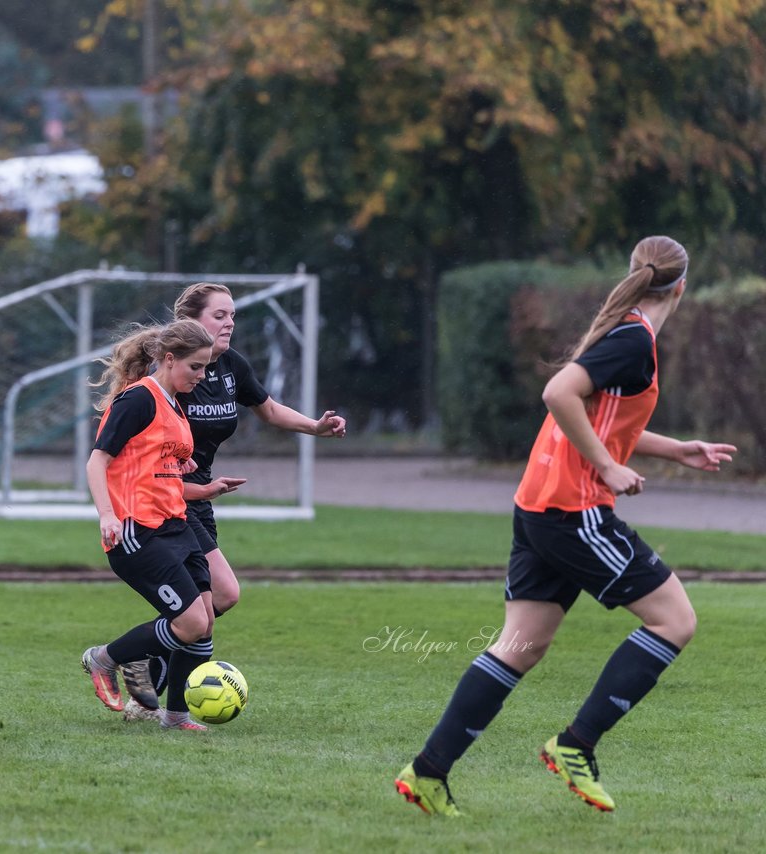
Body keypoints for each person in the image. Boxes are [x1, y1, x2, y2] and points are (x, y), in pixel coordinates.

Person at [394, 236, 736, 817]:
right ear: (682, 286)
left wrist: (675, 450)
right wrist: (606, 468)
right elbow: (558, 394)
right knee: (676, 619)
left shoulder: (622, 330)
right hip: (573, 512)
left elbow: (599, 418)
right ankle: (574, 745)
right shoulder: (633, 339)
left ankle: (427, 772)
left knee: (522, 646)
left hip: (540, 506)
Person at [118, 282, 347, 721]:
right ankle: (143, 675)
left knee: (213, 603)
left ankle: (150, 678)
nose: (229, 324)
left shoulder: (230, 367)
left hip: (201, 497)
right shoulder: (168, 372)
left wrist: (315, 428)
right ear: (191, 323)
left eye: (233, 316)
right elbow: (128, 435)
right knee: (217, 596)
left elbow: (270, 409)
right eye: (220, 315)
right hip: (166, 497)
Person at [79, 318, 218, 731]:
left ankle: (175, 716)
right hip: (137, 531)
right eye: (196, 366)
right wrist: (107, 514)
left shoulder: (175, 404)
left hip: (177, 526)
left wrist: (197, 482)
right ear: (169, 359)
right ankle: (104, 659)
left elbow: (156, 467)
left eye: (206, 367)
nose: (202, 375)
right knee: (190, 622)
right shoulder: (138, 399)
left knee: (204, 622)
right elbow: (97, 461)